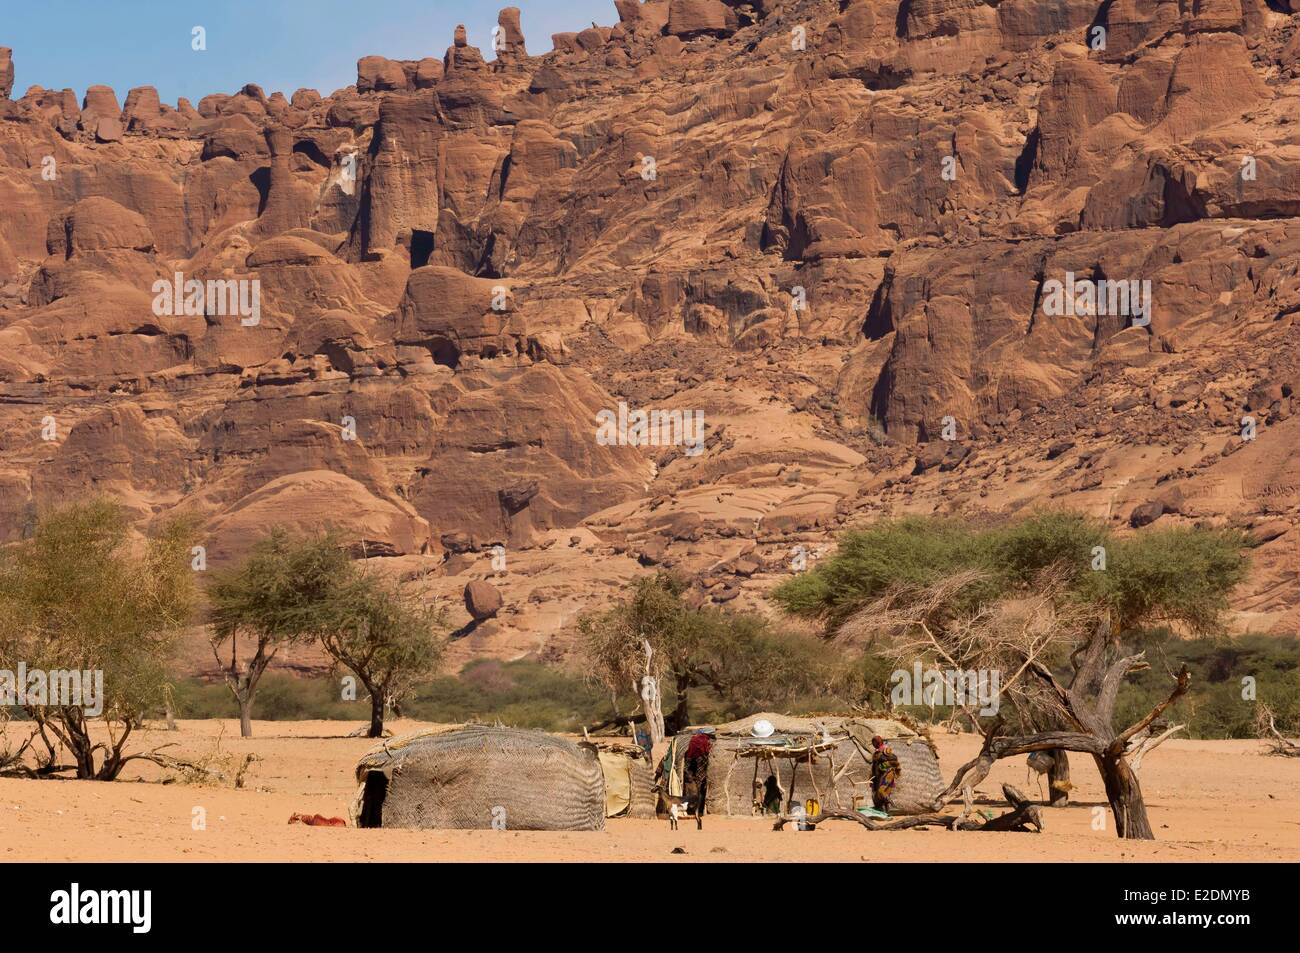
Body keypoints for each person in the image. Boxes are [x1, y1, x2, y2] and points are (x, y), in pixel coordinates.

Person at [682, 727, 715, 822]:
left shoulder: (693, 741)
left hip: (689, 766)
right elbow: (705, 754)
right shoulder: (705, 741)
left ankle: (692, 808)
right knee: (699, 787)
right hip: (700, 763)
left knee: (691, 786)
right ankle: (697, 809)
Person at [870, 734, 901, 812]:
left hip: (888, 774)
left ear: (878, 742)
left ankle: (892, 805)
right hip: (881, 775)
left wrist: (882, 760)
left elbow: (894, 758)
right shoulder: (878, 752)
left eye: (874, 743)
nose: (873, 745)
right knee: (883, 793)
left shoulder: (885, 751)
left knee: (881, 791)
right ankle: (887, 811)